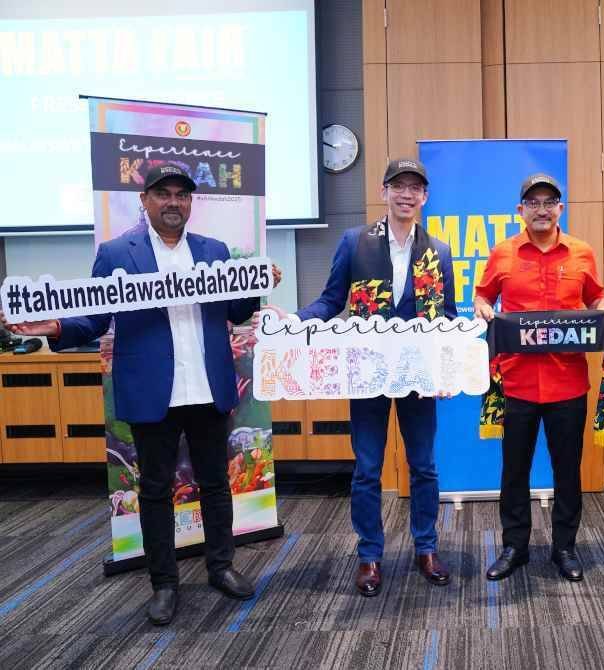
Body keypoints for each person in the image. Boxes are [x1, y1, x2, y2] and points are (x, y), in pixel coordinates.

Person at [1, 165, 280, 625]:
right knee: (154, 489)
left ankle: (221, 566)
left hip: (207, 387)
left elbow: (235, 309)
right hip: (153, 392)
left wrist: (257, 284)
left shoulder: (213, 251)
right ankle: (164, 583)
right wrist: (53, 327)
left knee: (215, 483)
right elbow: (95, 318)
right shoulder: (116, 254)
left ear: (190, 203)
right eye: (163, 193)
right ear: (145, 201)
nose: (174, 202)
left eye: (182, 195)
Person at [289, 158, 456, 597]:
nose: (406, 194)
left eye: (415, 188)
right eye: (398, 186)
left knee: (424, 466)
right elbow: (330, 301)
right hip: (367, 371)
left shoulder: (438, 251)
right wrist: (292, 321)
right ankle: (369, 555)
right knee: (366, 469)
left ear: (424, 197)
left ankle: (426, 548)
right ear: (384, 192)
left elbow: (447, 318)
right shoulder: (354, 242)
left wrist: (448, 367)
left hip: (418, 375)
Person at [473, 174, 604, 582]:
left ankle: (565, 548)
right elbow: (483, 295)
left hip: (568, 382)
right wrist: (482, 307)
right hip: (516, 381)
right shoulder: (502, 253)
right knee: (514, 470)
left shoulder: (582, 252)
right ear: (520, 210)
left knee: (567, 470)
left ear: (560, 209)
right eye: (533, 203)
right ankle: (514, 547)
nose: (542, 209)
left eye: (549, 202)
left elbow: (596, 297)